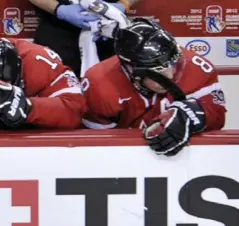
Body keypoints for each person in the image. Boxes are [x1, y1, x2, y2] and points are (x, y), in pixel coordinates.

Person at [82, 18, 226, 156]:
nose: (170, 76)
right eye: (158, 72)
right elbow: (98, 146)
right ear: (131, 69)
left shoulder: (197, 68)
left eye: (173, 64)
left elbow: (218, 115)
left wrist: (193, 114)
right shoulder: (100, 82)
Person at [29, 0, 140, 77]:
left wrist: (124, 4)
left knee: (108, 95)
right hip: (57, 31)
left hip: (108, 32)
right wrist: (59, 9)